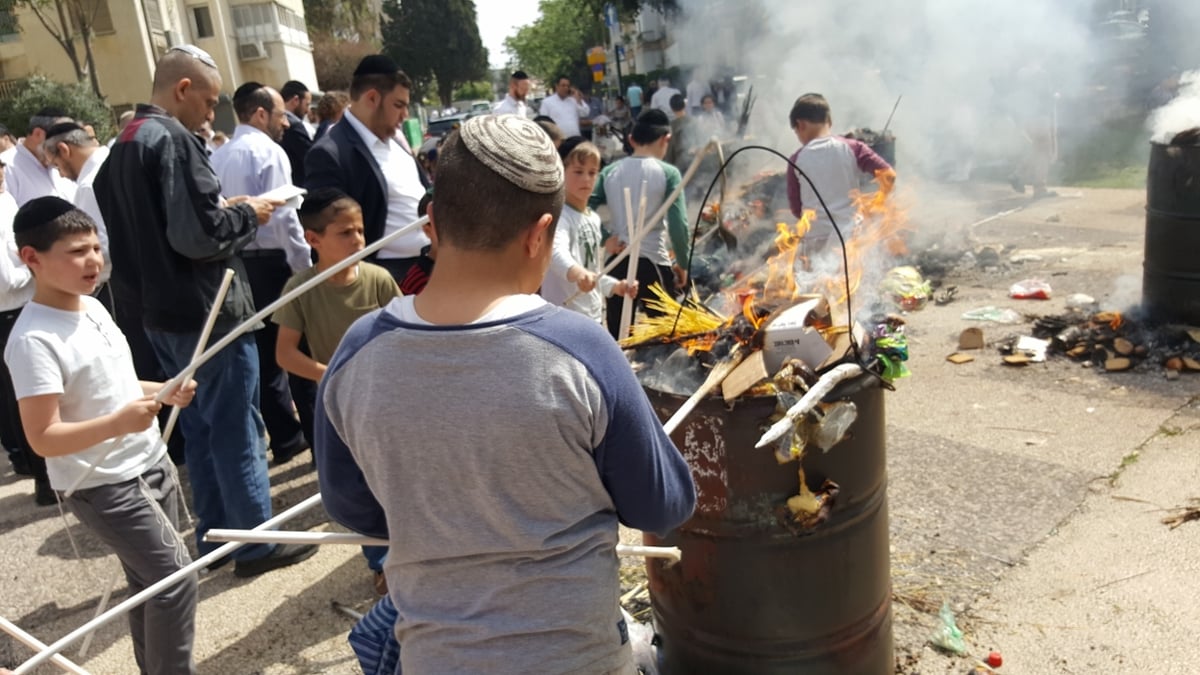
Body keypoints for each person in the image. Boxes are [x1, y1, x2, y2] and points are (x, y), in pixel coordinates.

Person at [315, 114, 696, 674]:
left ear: (433, 225)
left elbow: (355, 507)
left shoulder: (356, 355)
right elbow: (662, 504)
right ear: (540, 233)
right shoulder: (581, 350)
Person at [95, 44, 317, 577]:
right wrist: (250, 216)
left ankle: (214, 536)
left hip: (159, 311)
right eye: (209, 101)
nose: (211, 115)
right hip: (206, 309)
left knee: (198, 426)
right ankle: (253, 541)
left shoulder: (122, 144)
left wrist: (226, 210)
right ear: (183, 89)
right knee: (237, 425)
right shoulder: (172, 139)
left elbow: (147, 230)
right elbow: (198, 236)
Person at [5, 197, 200, 674]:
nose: (93, 260)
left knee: (149, 583)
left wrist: (164, 389)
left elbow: (112, 384)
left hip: (149, 459)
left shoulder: (93, 307)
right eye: (76, 252)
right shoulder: (33, 340)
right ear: (31, 258)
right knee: (174, 579)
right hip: (102, 483)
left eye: (95, 247)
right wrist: (117, 424)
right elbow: (43, 437)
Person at [272, 187, 398, 591]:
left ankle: (409, 554)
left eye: (360, 231)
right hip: (341, 404)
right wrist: (332, 373)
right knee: (361, 487)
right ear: (313, 239)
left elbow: (406, 333)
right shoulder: (301, 287)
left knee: (395, 477)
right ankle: (380, 562)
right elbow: (286, 355)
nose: (358, 240)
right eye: (345, 232)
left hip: (386, 397)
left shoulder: (378, 279)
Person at [211, 82, 312, 465]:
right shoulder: (269, 152)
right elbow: (286, 218)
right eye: (281, 113)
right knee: (294, 347)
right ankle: (308, 434)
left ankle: (284, 436)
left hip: (238, 265)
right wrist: (305, 270)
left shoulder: (218, 156)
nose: (286, 122)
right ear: (260, 114)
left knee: (264, 356)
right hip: (273, 263)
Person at [306, 54, 431, 284]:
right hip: (384, 279)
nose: (405, 115)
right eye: (398, 105)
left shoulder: (395, 143)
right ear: (372, 98)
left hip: (427, 268)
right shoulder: (330, 153)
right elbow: (330, 236)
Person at [591, 109, 691, 340]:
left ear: (631, 140)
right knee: (665, 337)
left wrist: (605, 237)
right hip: (653, 263)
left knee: (618, 340)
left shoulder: (609, 172)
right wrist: (683, 264)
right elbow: (679, 225)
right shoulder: (669, 173)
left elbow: (584, 209)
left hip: (616, 264)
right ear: (666, 139)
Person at [785, 93, 894, 258]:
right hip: (851, 235)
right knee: (855, 281)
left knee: (819, 282)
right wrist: (875, 204)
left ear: (800, 125)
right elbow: (889, 175)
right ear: (829, 121)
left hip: (816, 240)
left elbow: (796, 209)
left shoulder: (796, 160)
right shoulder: (853, 147)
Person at [542, 139, 637, 324]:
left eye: (592, 173)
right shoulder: (559, 216)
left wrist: (616, 286)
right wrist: (578, 274)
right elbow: (554, 253)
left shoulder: (593, 218)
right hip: (563, 317)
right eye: (578, 172)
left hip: (592, 316)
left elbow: (593, 272)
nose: (586, 179)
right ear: (560, 172)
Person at [0, 158, 49, 503]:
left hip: (21, 305)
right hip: (9, 311)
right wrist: (35, 268)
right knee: (24, 399)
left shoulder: (6, 201)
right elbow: (6, 280)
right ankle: (43, 480)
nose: (2, 175)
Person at [41, 122, 112, 285]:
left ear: (64, 150)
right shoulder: (115, 160)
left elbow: (103, 247)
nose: (61, 174)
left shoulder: (90, 185)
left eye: (57, 165)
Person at [6, 108, 76, 206]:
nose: (63, 146)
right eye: (59, 139)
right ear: (38, 133)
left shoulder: (60, 165)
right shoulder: (7, 167)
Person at [279, 80, 313, 185]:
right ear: (295, 100)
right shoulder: (294, 126)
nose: (307, 111)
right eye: (306, 105)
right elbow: (311, 158)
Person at [664, 94, 699, 169]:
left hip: (680, 162)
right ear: (684, 106)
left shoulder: (671, 126)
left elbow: (670, 149)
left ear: (672, 108)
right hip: (696, 161)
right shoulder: (695, 121)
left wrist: (668, 164)